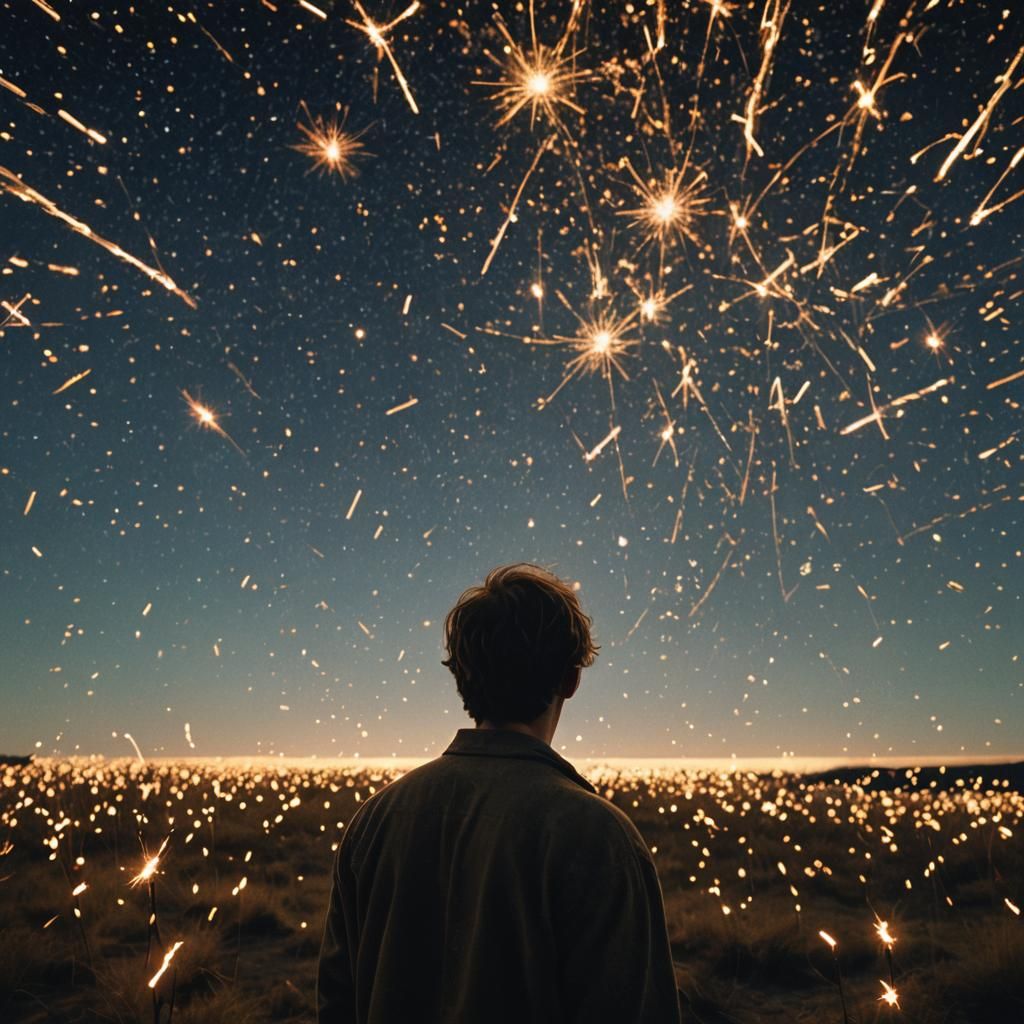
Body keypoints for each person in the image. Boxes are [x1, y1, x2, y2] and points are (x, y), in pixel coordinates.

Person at [317, 563, 681, 1023]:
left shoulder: (374, 821)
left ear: (462, 677)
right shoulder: (598, 837)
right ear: (571, 679)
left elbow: (337, 1003)